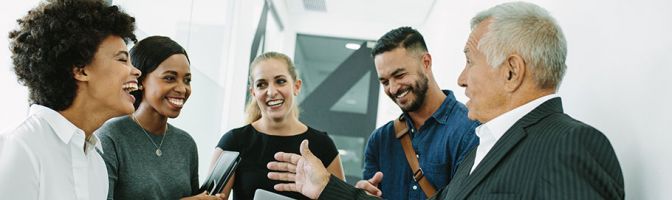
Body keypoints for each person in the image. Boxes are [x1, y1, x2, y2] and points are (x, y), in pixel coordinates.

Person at [266, 2, 625, 200]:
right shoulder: (485, 147)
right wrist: (328, 189)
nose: (461, 78)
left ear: (511, 71)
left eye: (470, 61)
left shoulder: (572, 145)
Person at [0, 0, 139, 199]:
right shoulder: (20, 147)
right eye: (122, 59)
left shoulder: (97, 165)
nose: (136, 71)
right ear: (81, 69)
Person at [356, 27, 479, 200]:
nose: (392, 88)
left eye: (399, 75)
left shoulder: (470, 130)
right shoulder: (379, 141)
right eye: (384, 81)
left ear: (426, 62)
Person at [96, 36, 220, 200]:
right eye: (169, 78)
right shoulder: (110, 137)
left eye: (187, 80)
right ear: (140, 80)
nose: (182, 89)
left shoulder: (186, 143)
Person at [211, 52, 345, 199]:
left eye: (280, 81)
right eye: (261, 84)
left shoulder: (322, 145)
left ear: (296, 86)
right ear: (253, 92)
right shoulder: (233, 142)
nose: (271, 92)